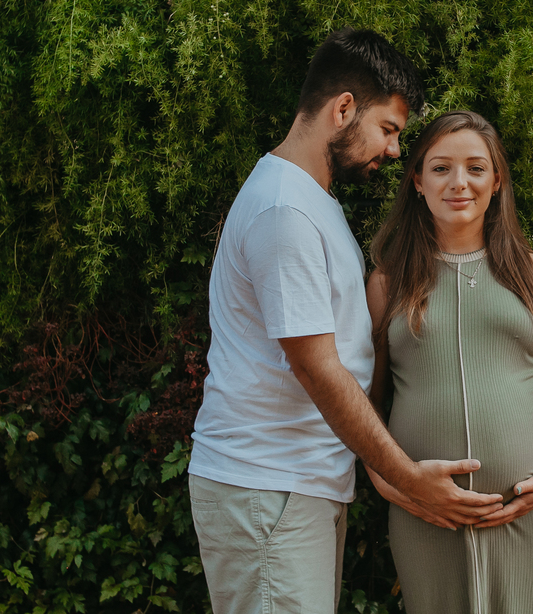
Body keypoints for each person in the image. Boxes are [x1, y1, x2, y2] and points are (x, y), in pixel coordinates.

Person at [188, 31, 505, 614]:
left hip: (293, 488)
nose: (392, 150)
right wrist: (406, 477)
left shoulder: (309, 201)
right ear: (342, 110)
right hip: (270, 487)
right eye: (388, 129)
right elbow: (318, 370)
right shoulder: (285, 212)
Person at [366, 110, 533, 614]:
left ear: (497, 181)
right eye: (440, 168)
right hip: (423, 516)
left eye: (476, 168)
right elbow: (367, 402)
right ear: (417, 181)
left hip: (528, 516)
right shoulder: (388, 282)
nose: (459, 183)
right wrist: (388, 482)